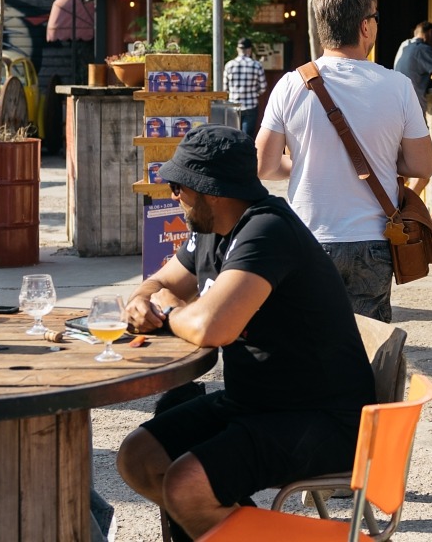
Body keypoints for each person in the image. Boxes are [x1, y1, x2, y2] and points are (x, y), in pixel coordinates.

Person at [116, 126, 376, 541]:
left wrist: (165, 309)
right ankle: (239, 527)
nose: (173, 195)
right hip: (258, 402)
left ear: (211, 191)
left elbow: (211, 328)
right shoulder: (209, 231)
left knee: (186, 484)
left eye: (179, 185)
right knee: (140, 456)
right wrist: (143, 300)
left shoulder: (267, 231)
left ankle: (230, 526)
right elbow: (157, 282)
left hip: (320, 417)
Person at [256, 0, 432, 322]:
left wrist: (306, 163)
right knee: (367, 348)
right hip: (374, 239)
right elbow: (421, 166)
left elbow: (264, 165)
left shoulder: (291, 84)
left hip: (309, 236)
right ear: (366, 27)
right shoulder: (398, 87)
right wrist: (381, 157)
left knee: (311, 341)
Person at [392, 21, 432, 102]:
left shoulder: (404, 45)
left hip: (399, 103)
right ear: (430, 33)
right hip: (414, 108)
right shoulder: (423, 49)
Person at [223, 38, 267, 137]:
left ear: (237, 49)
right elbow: (263, 87)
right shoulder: (256, 65)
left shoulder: (229, 65)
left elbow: (225, 88)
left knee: (233, 136)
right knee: (246, 137)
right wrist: (255, 93)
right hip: (250, 105)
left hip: (233, 106)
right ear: (249, 50)